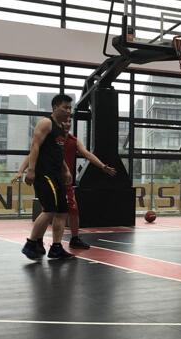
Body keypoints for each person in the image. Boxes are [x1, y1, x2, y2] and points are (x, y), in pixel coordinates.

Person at [14, 118, 117, 249]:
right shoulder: (50, 138)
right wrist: (21, 171)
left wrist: (102, 166)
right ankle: (38, 241)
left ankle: (69, 240)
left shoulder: (73, 141)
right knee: (49, 211)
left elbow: (87, 154)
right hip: (50, 179)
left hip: (64, 181)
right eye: (65, 121)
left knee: (69, 209)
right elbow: (32, 153)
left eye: (69, 122)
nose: (67, 124)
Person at [20, 94, 74, 260]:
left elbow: (57, 152)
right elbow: (35, 146)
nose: (68, 111)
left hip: (57, 175)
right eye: (65, 107)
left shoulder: (61, 128)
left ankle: (56, 247)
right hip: (44, 174)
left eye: (70, 108)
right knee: (49, 210)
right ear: (55, 107)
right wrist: (31, 170)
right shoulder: (46, 123)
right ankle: (31, 243)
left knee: (62, 211)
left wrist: (66, 170)